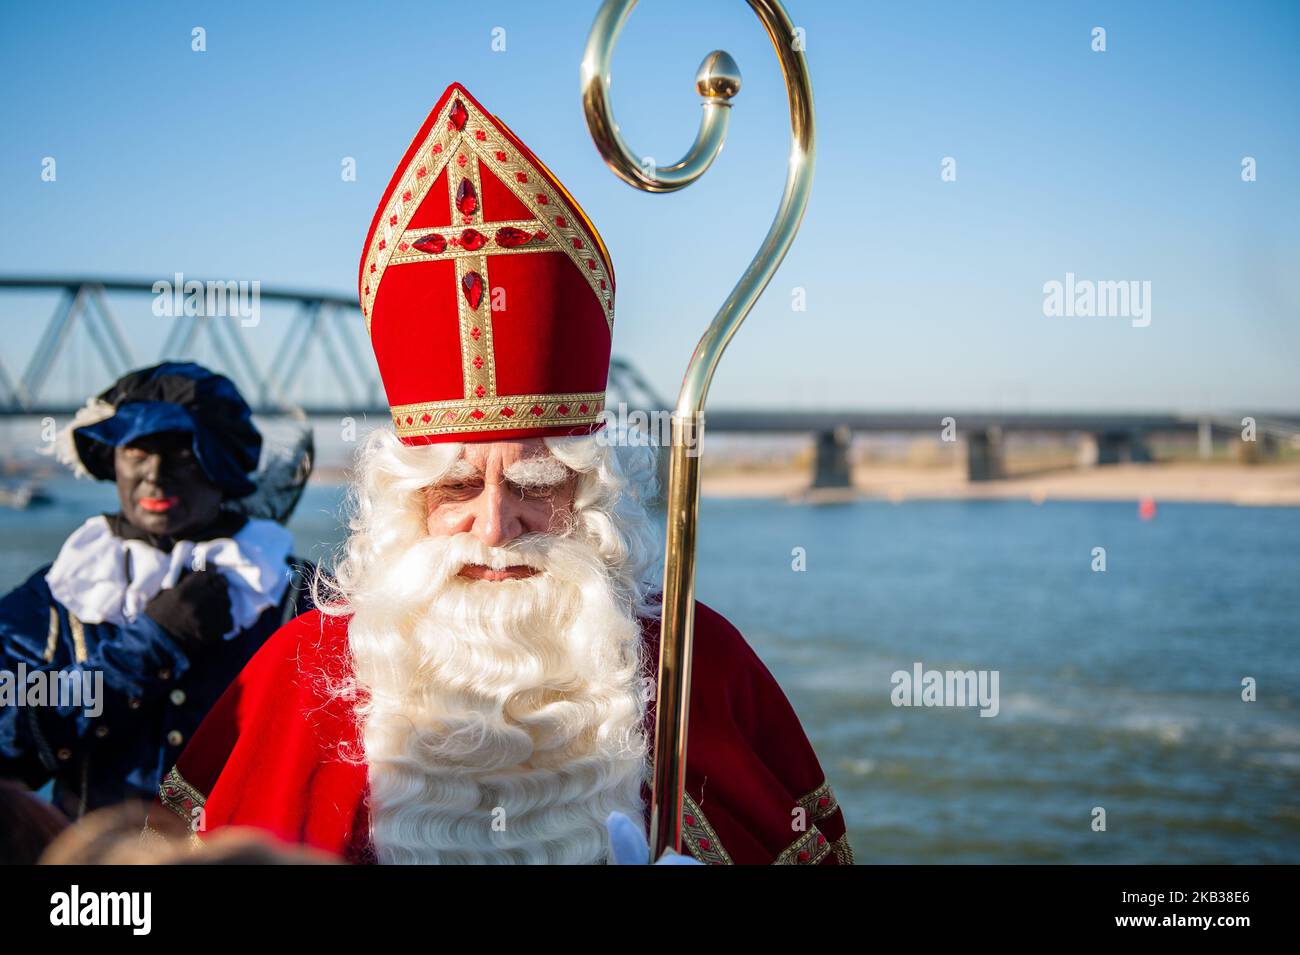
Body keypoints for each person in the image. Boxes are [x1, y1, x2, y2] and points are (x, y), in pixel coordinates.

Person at [150, 84, 852, 865]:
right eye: (457, 487)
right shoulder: (297, 676)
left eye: (536, 483)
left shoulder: (694, 664)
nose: (494, 526)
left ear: (588, 497)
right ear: (404, 502)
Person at [0, 362, 314, 819]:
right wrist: (151, 644)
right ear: (113, 459)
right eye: (137, 451)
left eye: (182, 453)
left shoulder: (297, 596)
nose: (155, 474)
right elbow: (11, 752)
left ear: (222, 464)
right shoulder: (57, 596)